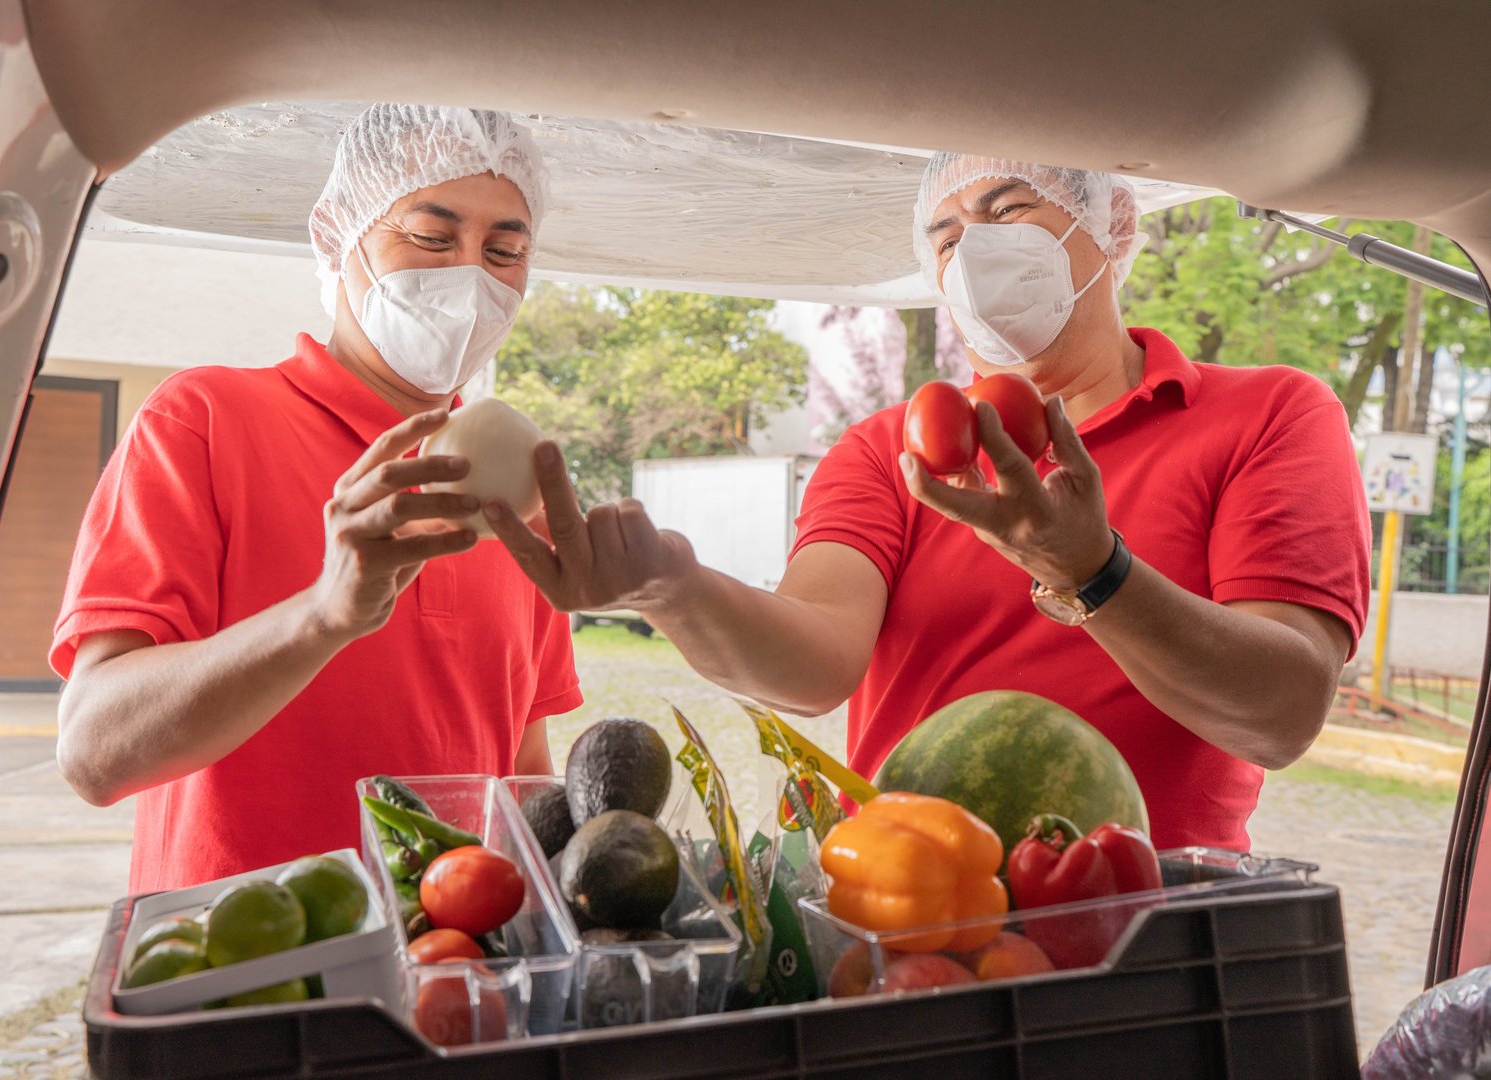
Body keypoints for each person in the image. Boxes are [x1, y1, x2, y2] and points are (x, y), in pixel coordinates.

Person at [487, 154, 1370, 852]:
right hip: (910, 902)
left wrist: (1095, 573)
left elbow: (1283, 713)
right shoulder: (890, 450)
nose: (973, 248)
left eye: (1009, 208)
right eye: (945, 234)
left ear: (1116, 222)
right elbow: (816, 662)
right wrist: (674, 588)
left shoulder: (1269, 414)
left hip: (1150, 925)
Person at [52, 105, 581, 893]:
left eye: (504, 251)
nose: (470, 275)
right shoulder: (204, 421)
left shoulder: (516, 488)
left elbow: (521, 768)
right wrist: (323, 615)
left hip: (454, 977)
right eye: (433, 238)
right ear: (337, 237)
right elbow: (95, 753)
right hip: (243, 976)